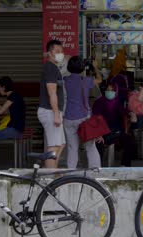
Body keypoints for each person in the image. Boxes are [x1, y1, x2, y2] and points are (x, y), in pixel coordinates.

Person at [63, 56, 102, 169]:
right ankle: (95, 171)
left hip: (68, 118)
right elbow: (99, 79)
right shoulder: (86, 80)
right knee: (90, 146)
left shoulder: (64, 80)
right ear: (82, 67)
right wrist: (95, 67)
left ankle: (71, 172)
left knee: (72, 148)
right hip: (83, 118)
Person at [38, 39, 66, 168]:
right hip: (50, 111)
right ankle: (50, 177)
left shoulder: (54, 67)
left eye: (61, 51)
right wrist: (56, 114)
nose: (60, 54)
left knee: (61, 144)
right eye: (57, 51)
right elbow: (52, 92)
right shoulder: (50, 68)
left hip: (53, 111)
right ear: (50, 53)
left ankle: (51, 171)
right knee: (54, 146)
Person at [93, 83, 133, 167]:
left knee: (128, 140)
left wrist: (131, 113)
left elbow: (124, 113)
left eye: (112, 90)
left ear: (116, 92)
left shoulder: (117, 103)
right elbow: (95, 119)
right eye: (108, 90)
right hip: (102, 132)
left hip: (115, 132)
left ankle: (125, 165)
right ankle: (99, 167)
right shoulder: (99, 102)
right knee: (98, 143)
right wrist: (98, 134)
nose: (109, 92)